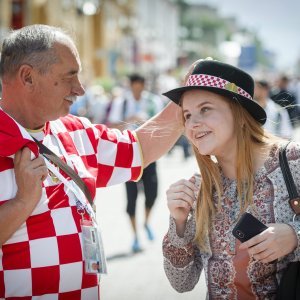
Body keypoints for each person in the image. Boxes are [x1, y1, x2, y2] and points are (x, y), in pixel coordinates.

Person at [0, 24, 183, 299]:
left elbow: (140, 148)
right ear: (27, 77)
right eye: (70, 75)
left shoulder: (73, 130)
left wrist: (189, 98)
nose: (80, 89)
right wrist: (22, 203)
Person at [161, 58, 300, 299]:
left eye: (205, 109)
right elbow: (181, 282)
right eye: (187, 115)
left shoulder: (292, 161)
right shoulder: (200, 189)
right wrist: (179, 222)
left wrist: (294, 236)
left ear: (239, 112)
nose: (193, 124)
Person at [107, 73, 164, 252]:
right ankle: (135, 236)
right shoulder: (121, 103)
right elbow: (111, 125)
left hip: (149, 153)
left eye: (141, 84)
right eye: (135, 85)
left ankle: (146, 222)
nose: (138, 88)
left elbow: (162, 125)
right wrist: (129, 120)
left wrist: (147, 123)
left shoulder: (153, 102)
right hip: (128, 154)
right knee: (131, 199)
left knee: (152, 194)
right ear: (131, 85)